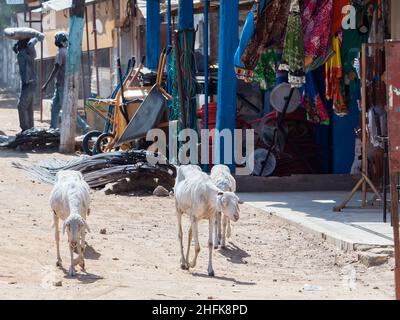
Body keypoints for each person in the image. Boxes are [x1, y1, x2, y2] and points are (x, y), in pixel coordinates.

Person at [42, 32, 89, 132]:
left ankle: (84, 126)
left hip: (62, 86)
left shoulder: (60, 53)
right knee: (54, 108)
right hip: (62, 85)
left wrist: (46, 84)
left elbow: (56, 69)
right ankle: (53, 128)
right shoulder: (67, 52)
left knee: (68, 110)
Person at [13, 34, 43, 132]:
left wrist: (36, 38)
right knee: (29, 108)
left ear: (24, 43)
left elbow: (30, 45)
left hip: (29, 82)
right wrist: (18, 44)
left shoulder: (29, 51)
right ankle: (30, 129)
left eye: (20, 41)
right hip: (28, 82)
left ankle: (25, 130)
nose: (18, 44)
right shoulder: (22, 52)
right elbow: (16, 48)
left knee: (21, 106)